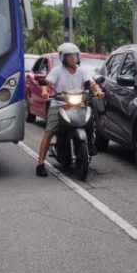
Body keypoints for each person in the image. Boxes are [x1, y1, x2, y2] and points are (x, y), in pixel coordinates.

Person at [36, 42, 104, 177]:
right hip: (59, 104)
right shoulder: (57, 71)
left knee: (90, 119)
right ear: (63, 58)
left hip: (79, 104)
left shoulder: (82, 71)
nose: (73, 58)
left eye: (75, 56)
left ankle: (89, 144)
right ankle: (40, 163)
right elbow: (47, 83)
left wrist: (98, 91)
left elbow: (92, 84)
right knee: (49, 131)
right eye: (70, 56)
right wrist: (45, 91)